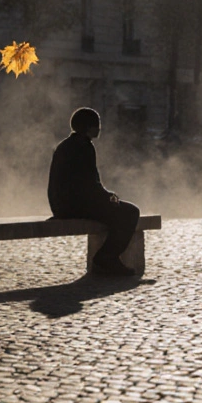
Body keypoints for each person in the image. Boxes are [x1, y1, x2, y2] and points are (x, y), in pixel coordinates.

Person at [48, 107, 141, 276]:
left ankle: (108, 258)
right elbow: (88, 184)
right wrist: (107, 197)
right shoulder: (84, 147)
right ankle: (107, 257)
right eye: (96, 125)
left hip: (62, 205)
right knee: (130, 212)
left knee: (117, 212)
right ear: (87, 127)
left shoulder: (66, 145)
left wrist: (105, 196)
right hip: (75, 206)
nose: (99, 128)